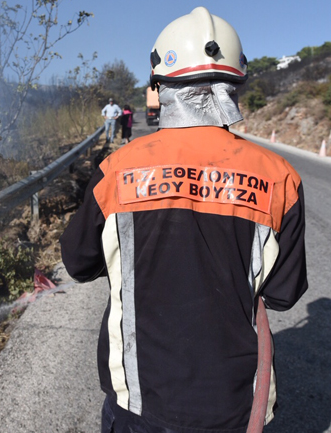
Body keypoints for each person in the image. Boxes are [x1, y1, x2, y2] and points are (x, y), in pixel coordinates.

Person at [59, 7, 307, 433]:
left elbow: (78, 264)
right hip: (234, 408)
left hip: (139, 403)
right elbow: (282, 294)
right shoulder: (279, 177)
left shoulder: (117, 170)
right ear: (236, 83)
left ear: (159, 87)